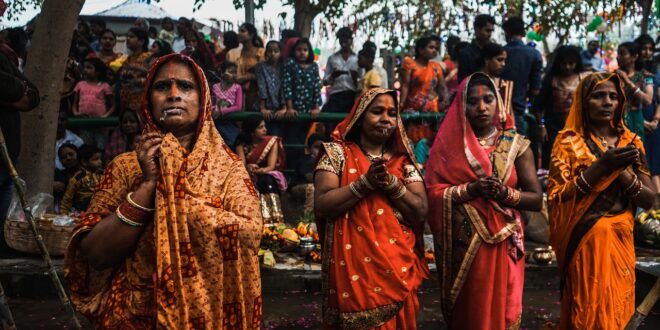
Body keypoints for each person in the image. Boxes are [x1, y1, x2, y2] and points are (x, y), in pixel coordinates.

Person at [64, 54, 263, 328]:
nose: (173, 95)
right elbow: (95, 255)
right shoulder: (125, 168)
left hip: (209, 317)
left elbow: (249, 235)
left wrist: (176, 196)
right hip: (135, 317)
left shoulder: (230, 171)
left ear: (203, 98)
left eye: (185, 86)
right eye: (161, 87)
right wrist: (148, 185)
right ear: (148, 99)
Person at [425, 73, 542, 329]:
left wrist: (505, 195)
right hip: (464, 245)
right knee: (471, 310)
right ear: (461, 107)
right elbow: (432, 193)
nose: (481, 107)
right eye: (473, 101)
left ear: (498, 103)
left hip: (505, 239)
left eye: (488, 99)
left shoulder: (516, 145)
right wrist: (471, 190)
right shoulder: (448, 147)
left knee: (503, 309)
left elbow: (536, 199)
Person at [314, 88, 429, 329]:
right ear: (360, 117)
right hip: (354, 270)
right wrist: (364, 184)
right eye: (377, 112)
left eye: (391, 113)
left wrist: (392, 184)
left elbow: (420, 211)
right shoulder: (337, 154)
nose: (386, 118)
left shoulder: (404, 162)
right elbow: (323, 204)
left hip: (398, 266)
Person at [548, 72, 655, 329]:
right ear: (584, 101)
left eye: (613, 96)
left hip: (620, 238)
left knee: (618, 306)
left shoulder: (631, 142)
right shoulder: (568, 143)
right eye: (598, 96)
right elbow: (557, 197)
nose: (607, 102)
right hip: (585, 242)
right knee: (586, 310)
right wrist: (602, 166)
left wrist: (624, 174)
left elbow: (650, 199)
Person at [0, 27, 40, 255]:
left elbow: (31, 95)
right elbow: (16, 91)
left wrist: (10, 98)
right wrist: (15, 95)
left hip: (8, 156)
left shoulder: (6, 57)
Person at [533, 45, 585, 169]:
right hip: (553, 129)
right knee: (552, 162)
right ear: (558, 63)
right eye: (564, 63)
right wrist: (541, 126)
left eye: (571, 63)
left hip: (577, 128)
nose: (567, 67)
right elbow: (537, 106)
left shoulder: (582, 79)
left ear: (576, 63)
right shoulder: (551, 80)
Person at [236, 116, 287, 225]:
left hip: (267, 174)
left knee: (267, 179)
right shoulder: (241, 144)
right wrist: (249, 167)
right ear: (252, 132)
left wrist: (260, 170)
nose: (265, 129)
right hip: (249, 174)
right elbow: (241, 166)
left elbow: (271, 166)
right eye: (261, 127)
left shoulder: (271, 141)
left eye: (265, 126)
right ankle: (258, 221)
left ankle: (275, 219)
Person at [400, 35, 448, 144]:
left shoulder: (436, 66)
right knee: (411, 139)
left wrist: (446, 104)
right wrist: (401, 105)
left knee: (429, 141)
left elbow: (442, 87)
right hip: (413, 108)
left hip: (431, 110)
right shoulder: (409, 64)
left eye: (435, 48)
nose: (434, 50)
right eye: (431, 47)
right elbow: (405, 86)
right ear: (421, 50)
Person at [501, 16, 543, 135]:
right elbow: (535, 90)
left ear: (507, 33)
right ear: (523, 33)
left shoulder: (499, 53)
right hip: (518, 111)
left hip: (496, 111)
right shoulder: (534, 54)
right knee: (518, 150)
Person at [616, 42, 654, 140]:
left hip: (635, 119)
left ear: (634, 57)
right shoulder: (613, 76)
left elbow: (648, 100)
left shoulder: (645, 76)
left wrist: (627, 81)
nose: (618, 57)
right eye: (618, 53)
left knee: (636, 151)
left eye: (622, 54)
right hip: (616, 120)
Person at [227, 23, 265, 111]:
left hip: (258, 95)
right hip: (236, 96)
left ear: (251, 35)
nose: (238, 33)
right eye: (239, 31)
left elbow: (266, 74)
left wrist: (246, 77)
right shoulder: (232, 53)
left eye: (242, 31)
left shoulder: (261, 53)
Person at [322, 27, 359, 115]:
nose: (343, 41)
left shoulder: (357, 59)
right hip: (336, 96)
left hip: (352, 96)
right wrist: (333, 76)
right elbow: (325, 81)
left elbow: (362, 81)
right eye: (341, 39)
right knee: (334, 124)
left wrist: (355, 78)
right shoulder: (332, 58)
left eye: (346, 38)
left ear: (351, 40)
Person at [59, 144, 103, 214]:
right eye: (95, 159)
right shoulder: (78, 177)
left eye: (100, 159)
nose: (100, 162)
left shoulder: (102, 174)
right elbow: (67, 199)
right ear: (84, 162)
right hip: (84, 210)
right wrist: (63, 215)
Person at [118, 27, 151, 114]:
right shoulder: (127, 59)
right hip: (125, 103)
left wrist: (138, 81)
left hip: (141, 103)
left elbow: (153, 78)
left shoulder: (149, 57)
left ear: (141, 41)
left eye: (131, 37)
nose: (127, 39)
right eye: (127, 36)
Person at [256, 40, 286, 136]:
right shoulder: (261, 66)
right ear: (266, 52)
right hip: (265, 107)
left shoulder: (283, 67)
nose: (273, 54)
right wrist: (263, 107)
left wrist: (284, 107)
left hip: (279, 108)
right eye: (270, 51)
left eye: (276, 51)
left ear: (280, 53)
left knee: (277, 136)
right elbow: (262, 86)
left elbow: (285, 87)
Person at [290, 133, 325, 214]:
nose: (319, 150)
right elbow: (311, 178)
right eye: (316, 147)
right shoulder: (306, 160)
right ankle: (308, 218)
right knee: (312, 188)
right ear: (309, 149)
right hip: (298, 186)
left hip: (317, 187)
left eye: (322, 147)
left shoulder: (327, 160)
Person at [211, 61, 243, 148]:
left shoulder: (237, 87)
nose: (234, 75)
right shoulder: (215, 87)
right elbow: (212, 104)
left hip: (230, 123)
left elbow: (238, 107)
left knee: (229, 146)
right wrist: (213, 109)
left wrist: (221, 111)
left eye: (235, 72)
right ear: (222, 73)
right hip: (217, 122)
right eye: (231, 72)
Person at [458, 14, 495, 82]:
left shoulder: (492, 51)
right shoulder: (466, 53)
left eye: (491, 31)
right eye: (487, 30)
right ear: (477, 29)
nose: (490, 34)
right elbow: (462, 81)